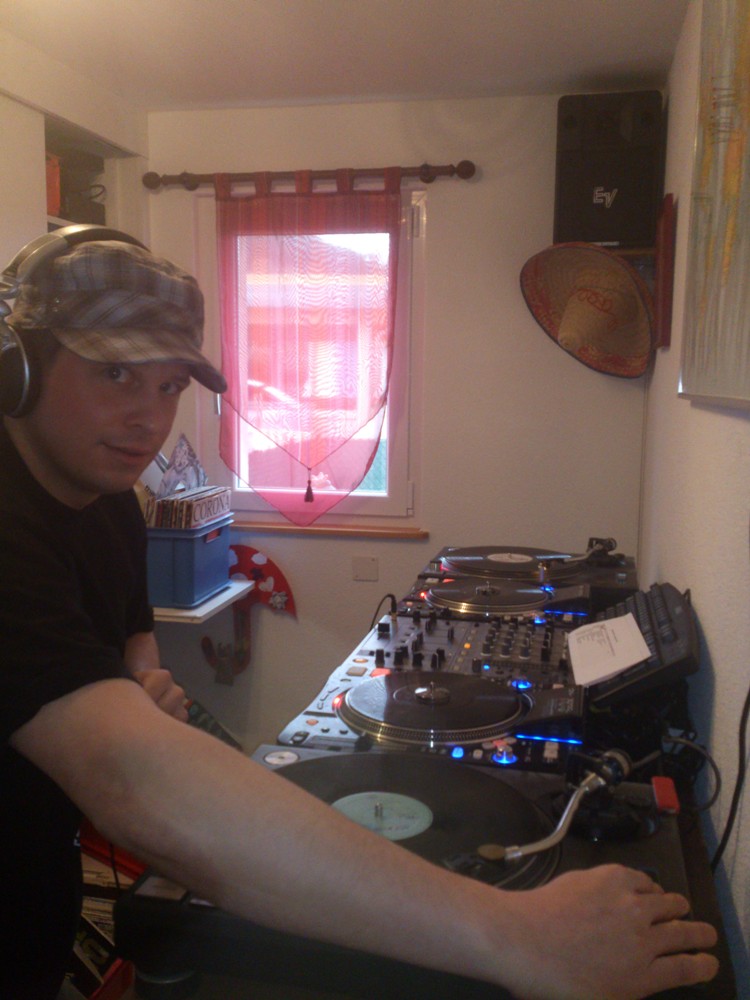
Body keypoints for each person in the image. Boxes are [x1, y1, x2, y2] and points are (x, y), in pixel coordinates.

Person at [0, 233, 719, 1000]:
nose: (150, 419)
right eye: (115, 373)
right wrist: (519, 935)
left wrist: (139, 679)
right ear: (19, 367)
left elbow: (132, 629)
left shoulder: (111, 497)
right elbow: (132, 781)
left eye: (170, 385)